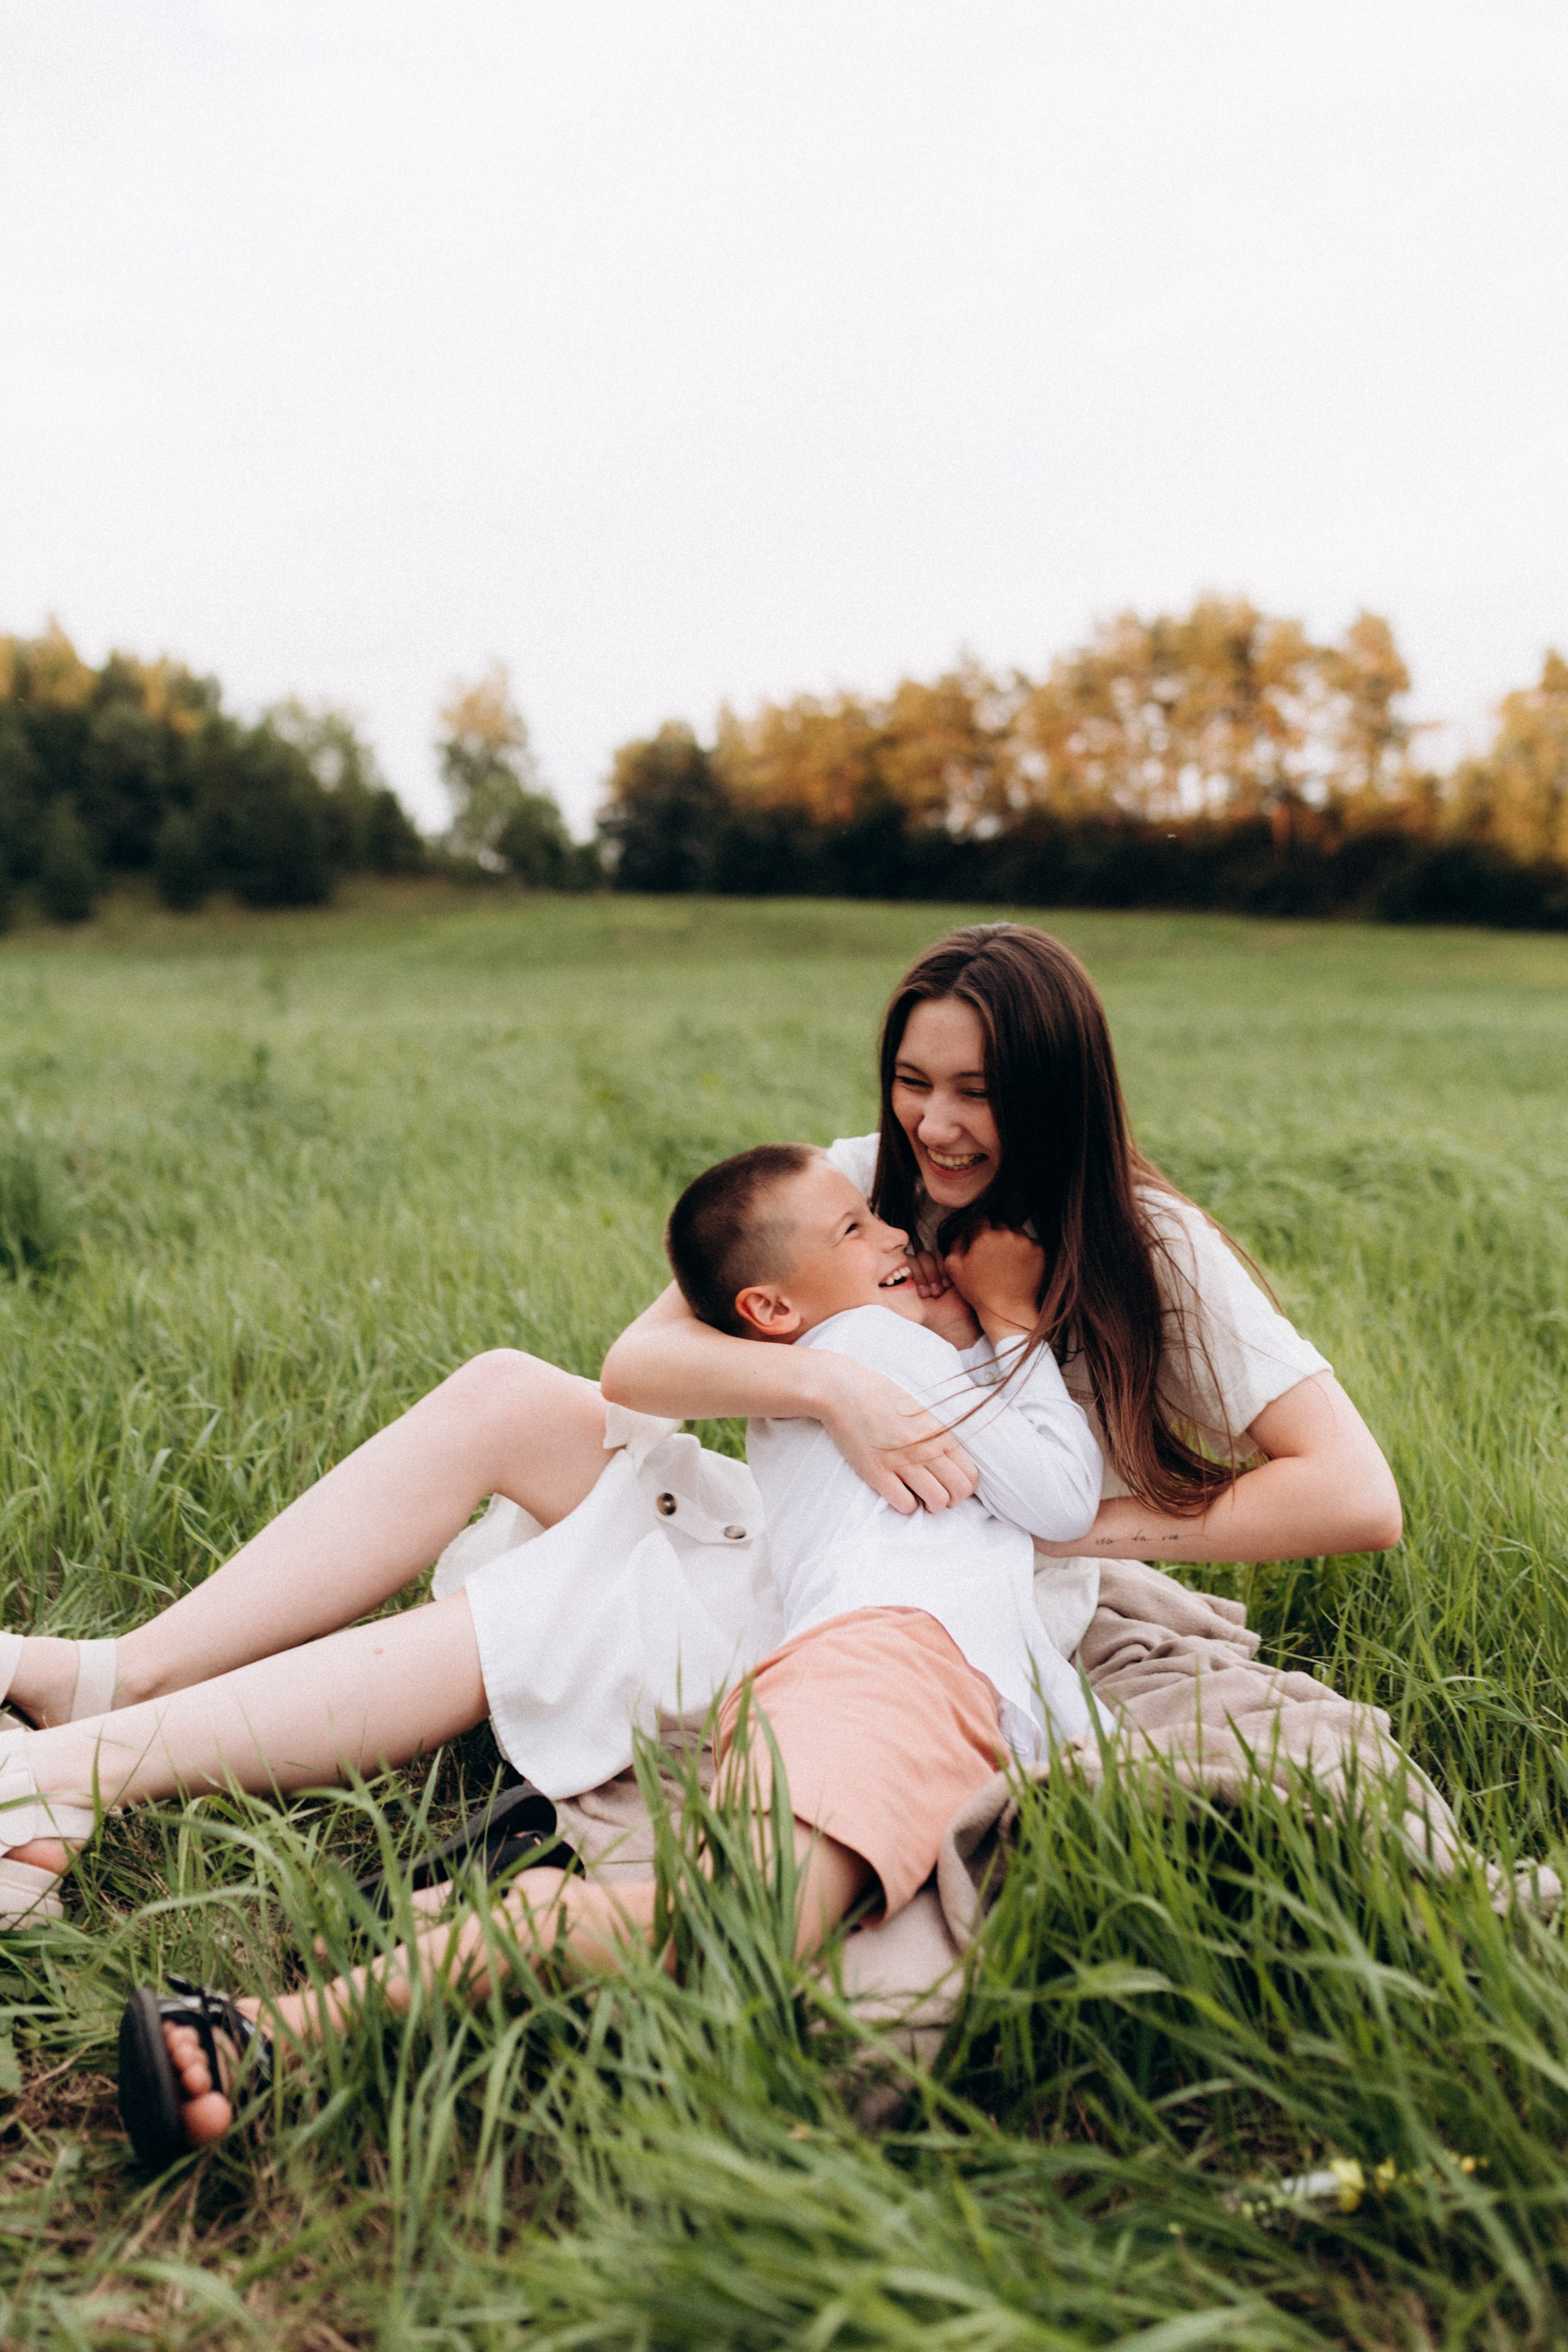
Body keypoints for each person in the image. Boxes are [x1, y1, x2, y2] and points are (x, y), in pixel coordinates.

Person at [122, 1129, 1107, 2166]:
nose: (897, 1233)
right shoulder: (871, 1347)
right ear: (775, 1311)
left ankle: (456, 1912)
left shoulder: (837, 1353)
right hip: (893, 1672)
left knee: (779, 1940)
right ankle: (270, 2028)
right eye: (856, 1226)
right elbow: (1060, 1494)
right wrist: (1007, 1316)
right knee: (732, 1931)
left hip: (870, 1679)